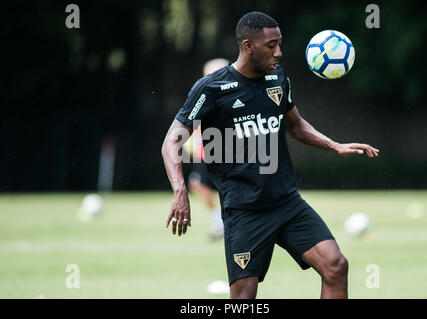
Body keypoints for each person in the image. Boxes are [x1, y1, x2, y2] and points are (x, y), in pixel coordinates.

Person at [161, 11, 379, 299]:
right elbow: (171, 141)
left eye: (280, 44)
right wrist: (179, 192)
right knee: (244, 296)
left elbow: (295, 124)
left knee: (336, 266)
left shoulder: (277, 79)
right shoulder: (212, 87)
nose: (279, 52)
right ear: (248, 46)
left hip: (287, 201)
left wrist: (334, 145)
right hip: (245, 209)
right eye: (271, 45)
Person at [185, 58, 229, 239]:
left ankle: (223, 223)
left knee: (211, 186)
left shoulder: (226, 96)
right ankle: (221, 222)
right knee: (198, 184)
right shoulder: (205, 95)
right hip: (208, 152)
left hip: (223, 153)